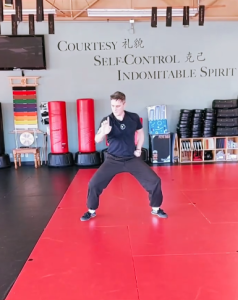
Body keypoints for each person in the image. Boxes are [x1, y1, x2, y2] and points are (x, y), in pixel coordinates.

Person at [80, 91, 168, 221]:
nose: (115, 109)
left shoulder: (133, 118)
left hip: (131, 158)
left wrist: (138, 148)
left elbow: (141, 133)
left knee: (154, 181)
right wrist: (103, 132)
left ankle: (156, 208)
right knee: (94, 183)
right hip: (113, 159)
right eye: (112, 106)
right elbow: (97, 139)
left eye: (118, 106)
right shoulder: (107, 120)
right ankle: (91, 210)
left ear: (124, 104)